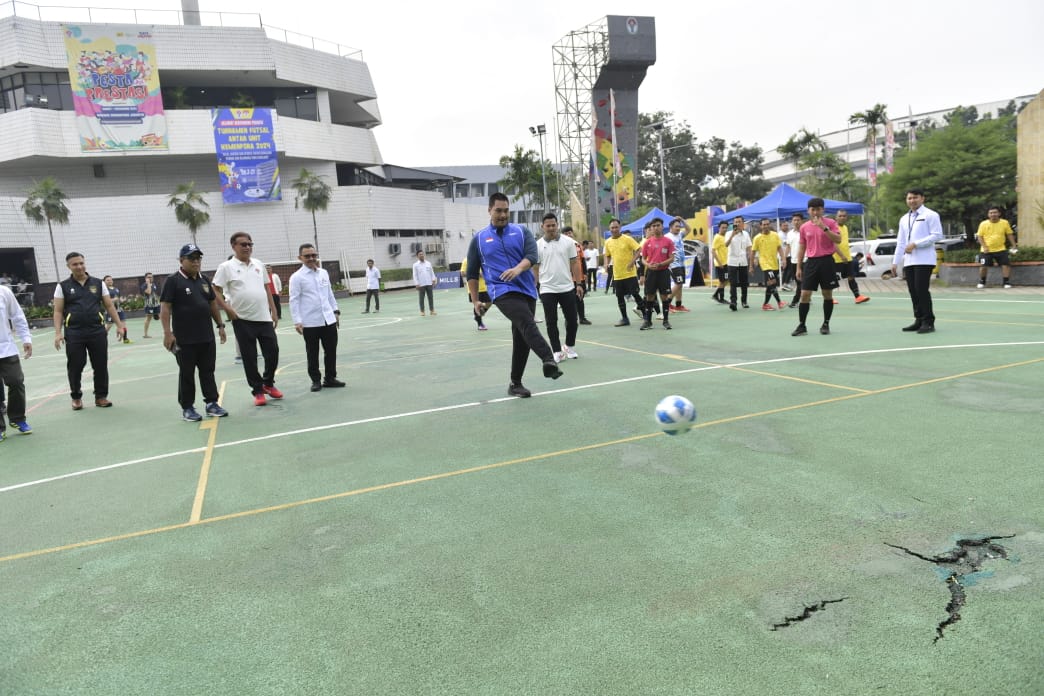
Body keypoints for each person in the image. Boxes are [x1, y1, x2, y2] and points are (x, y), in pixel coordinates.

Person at [466, 192, 562, 398]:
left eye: (506, 210)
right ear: (489, 210)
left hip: (527, 289)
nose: (503, 215)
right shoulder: (479, 239)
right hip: (501, 291)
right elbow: (472, 273)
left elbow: (532, 256)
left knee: (521, 338)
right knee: (527, 322)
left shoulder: (521, 231)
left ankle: (515, 384)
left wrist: (518, 269)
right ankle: (548, 359)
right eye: (498, 210)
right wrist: (475, 300)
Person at [159, 243, 230, 421]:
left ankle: (211, 403)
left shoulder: (204, 280)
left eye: (198, 258)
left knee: (208, 371)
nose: (196, 262)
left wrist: (220, 326)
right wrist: (168, 333)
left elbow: (212, 304)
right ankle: (188, 407)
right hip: (184, 339)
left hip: (206, 336)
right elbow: (165, 308)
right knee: (187, 373)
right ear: (182, 260)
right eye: (191, 258)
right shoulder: (173, 280)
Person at [212, 231, 283, 406]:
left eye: (250, 244)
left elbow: (267, 288)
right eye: (243, 244)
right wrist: (227, 308)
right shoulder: (226, 267)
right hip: (242, 319)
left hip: (264, 317)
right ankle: (258, 391)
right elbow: (215, 289)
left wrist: (273, 310)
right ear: (233, 246)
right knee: (249, 357)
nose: (247, 247)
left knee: (273, 351)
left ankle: (268, 383)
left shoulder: (258, 264)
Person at [53, 252, 126, 409]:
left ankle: (101, 396)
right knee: (76, 365)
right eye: (75, 264)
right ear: (69, 267)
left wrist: (120, 325)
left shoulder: (99, 283)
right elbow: (58, 311)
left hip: (97, 331)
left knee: (100, 365)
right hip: (74, 333)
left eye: (81, 263)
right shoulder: (63, 286)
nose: (79, 266)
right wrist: (58, 333)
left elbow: (109, 305)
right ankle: (76, 397)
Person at [289, 243, 345, 392]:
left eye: (313, 255)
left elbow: (329, 294)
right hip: (310, 322)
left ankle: (330, 378)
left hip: (328, 319)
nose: (311, 258)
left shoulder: (323, 273)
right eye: (307, 256)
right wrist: (297, 321)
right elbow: (294, 300)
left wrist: (336, 311)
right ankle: (316, 380)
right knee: (312, 353)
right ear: (300, 258)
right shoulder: (297, 277)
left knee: (331, 351)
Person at [892, 188, 944, 334]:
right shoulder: (904, 218)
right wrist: (895, 261)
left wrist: (916, 244)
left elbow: (937, 235)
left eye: (915, 197)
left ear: (922, 199)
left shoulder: (930, 215)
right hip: (909, 261)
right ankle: (919, 319)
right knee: (913, 291)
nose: (912, 200)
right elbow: (901, 242)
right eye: (909, 198)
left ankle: (928, 321)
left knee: (921, 290)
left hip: (924, 259)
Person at [535, 213, 583, 361]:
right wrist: (536, 285)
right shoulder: (537, 245)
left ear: (557, 225)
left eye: (553, 225)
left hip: (567, 287)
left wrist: (579, 283)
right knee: (551, 322)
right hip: (547, 289)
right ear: (542, 227)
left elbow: (574, 263)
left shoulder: (569, 242)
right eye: (548, 225)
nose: (551, 228)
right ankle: (556, 351)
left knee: (572, 320)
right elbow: (535, 268)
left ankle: (569, 346)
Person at [791, 199, 842, 337]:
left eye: (818, 209)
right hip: (811, 262)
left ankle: (826, 323)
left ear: (822, 210)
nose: (815, 212)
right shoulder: (804, 227)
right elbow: (802, 247)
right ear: (808, 211)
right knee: (804, 294)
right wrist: (798, 267)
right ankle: (802, 325)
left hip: (827, 262)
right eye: (812, 209)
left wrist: (824, 228)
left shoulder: (831, 223)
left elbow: (838, 240)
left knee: (827, 294)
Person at [0, 283, 33, 440]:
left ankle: (17, 418)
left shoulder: (4, 291)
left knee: (16, 381)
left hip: (6, 348)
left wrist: (26, 338)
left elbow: (17, 316)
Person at [603, 218, 645, 326]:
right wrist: (606, 264)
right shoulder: (607, 242)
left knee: (635, 294)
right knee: (620, 297)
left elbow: (639, 250)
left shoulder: (627, 239)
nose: (614, 229)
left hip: (630, 274)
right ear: (609, 229)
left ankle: (646, 316)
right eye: (612, 227)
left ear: (620, 227)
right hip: (617, 275)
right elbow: (607, 255)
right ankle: (625, 319)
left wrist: (632, 262)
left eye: (616, 227)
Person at [638, 217, 675, 330]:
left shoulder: (668, 242)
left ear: (662, 226)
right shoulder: (647, 242)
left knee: (664, 296)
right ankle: (648, 321)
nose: (655, 227)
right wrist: (648, 265)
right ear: (651, 228)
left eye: (658, 225)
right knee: (650, 296)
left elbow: (672, 258)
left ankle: (666, 321)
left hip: (663, 272)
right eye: (653, 226)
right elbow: (643, 259)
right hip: (651, 272)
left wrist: (661, 264)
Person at [975, 206, 1018, 288]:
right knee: (983, 266)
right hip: (986, 250)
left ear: (999, 213)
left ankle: (1006, 282)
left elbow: (1009, 234)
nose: (993, 214)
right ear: (988, 215)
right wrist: (984, 247)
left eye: (995, 212)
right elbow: (980, 237)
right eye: (991, 213)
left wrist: (1014, 245)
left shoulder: (1004, 223)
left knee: (1006, 265)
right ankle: (982, 281)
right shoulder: (983, 224)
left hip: (1001, 249)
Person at [833, 210, 870, 304]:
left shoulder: (845, 227)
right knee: (832, 279)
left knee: (851, 277)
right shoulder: (833, 228)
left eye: (844, 216)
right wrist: (841, 256)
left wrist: (846, 256)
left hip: (847, 258)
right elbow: (833, 244)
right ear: (836, 217)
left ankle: (858, 297)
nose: (842, 217)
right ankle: (829, 298)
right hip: (835, 259)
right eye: (840, 216)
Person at [751, 219, 786, 310]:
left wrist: (783, 259)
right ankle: (779, 302)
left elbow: (780, 248)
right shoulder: (757, 238)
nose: (766, 226)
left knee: (770, 284)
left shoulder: (775, 235)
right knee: (773, 282)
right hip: (765, 264)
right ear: (760, 226)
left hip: (774, 263)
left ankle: (765, 304)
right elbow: (753, 252)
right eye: (764, 224)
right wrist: (751, 265)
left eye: (767, 224)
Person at [563, 226, 591, 325]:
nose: (568, 234)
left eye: (570, 232)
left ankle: (582, 318)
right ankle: (569, 319)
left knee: (580, 298)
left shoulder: (578, 245)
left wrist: (585, 273)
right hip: (567, 277)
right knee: (568, 300)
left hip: (579, 277)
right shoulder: (561, 246)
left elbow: (582, 260)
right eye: (566, 233)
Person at [725, 216, 752, 311]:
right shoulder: (728, 233)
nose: (737, 224)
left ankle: (744, 301)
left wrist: (751, 264)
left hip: (743, 262)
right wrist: (733, 234)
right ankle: (733, 302)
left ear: (743, 223)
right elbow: (726, 244)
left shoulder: (746, 234)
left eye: (739, 222)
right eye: (735, 222)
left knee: (744, 283)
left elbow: (749, 249)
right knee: (733, 283)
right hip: (732, 262)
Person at [664, 217, 689, 313]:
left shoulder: (680, 235)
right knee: (678, 283)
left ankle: (678, 305)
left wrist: (682, 220)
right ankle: (667, 303)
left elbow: (688, 229)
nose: (678, 228)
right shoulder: (667, 237)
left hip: (681, 263)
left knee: (680, 284)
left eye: (679, 226)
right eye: (676, 226)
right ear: (671, 227)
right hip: (674, 264)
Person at [460, 255, 490, 331]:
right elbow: (462, 273)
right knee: (478, 304)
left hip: (485, 287)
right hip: (474, 287)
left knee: (490, 302)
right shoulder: (466, 260)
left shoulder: (483, 259)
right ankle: (480, 324)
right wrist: (475, 273)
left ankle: (477, 316)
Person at [103, 275, 131, 344]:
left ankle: (125, 339)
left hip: (119, 310)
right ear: (104, 282)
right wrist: (114, 300)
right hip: (110, 311)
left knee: (123, 324)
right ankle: (100, 339)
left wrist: (122, 300)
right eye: (108, 280)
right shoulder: (104, 290)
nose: (110, 281)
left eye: (111, 280)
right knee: (108, 327)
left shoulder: (116, 289)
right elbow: (104, 301)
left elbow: (118, 299)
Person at [786, 213, 804, 307]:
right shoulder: (789, 234)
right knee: (798, 282)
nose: (796, 222)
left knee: (801, 282)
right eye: (794, 220)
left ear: (802, 221)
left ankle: (795, 301)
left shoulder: (805, 232)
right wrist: (785, 259)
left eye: (798, 220)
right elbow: (788, 246)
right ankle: (805, 297)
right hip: (793, 261)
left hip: (805, 260)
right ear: (792, 221)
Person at [412, 249, 438, 316]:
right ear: (417, 256)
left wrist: (434, 280)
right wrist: (416, 283)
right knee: (421, 298)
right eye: (420, 254)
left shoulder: (428, 263)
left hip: (429, 283)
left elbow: (431, 272)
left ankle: (432, 310)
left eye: (422, 254)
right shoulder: (415, 265)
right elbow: (415, 275)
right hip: (421, 284)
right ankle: (422, 311)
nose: (422, 255)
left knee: (430, 297)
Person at [711, 221, 729, 304]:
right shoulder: (717, 237)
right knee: (723, 281)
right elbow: (713, 251)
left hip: (727, 262)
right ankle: (720, 298)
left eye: (726, 227)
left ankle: (716, 295)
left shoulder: (726, 236)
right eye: (723, 227)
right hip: (720, 264)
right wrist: (719, 263)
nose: (724, 229)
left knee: (725, 280)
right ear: (719, 228)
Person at [141, 271, 161, 338]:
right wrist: (148, 283)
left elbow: (155, 294)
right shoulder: (144, 285)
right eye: (148, 277)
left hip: (156, 304)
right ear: (145, 278)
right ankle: (145, 334)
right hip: (149, 305)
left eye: (151, 277)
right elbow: (149, 292)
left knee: (162, 316)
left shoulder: (154, 284)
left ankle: (167, 331)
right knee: (148, 318)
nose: (150, 278)